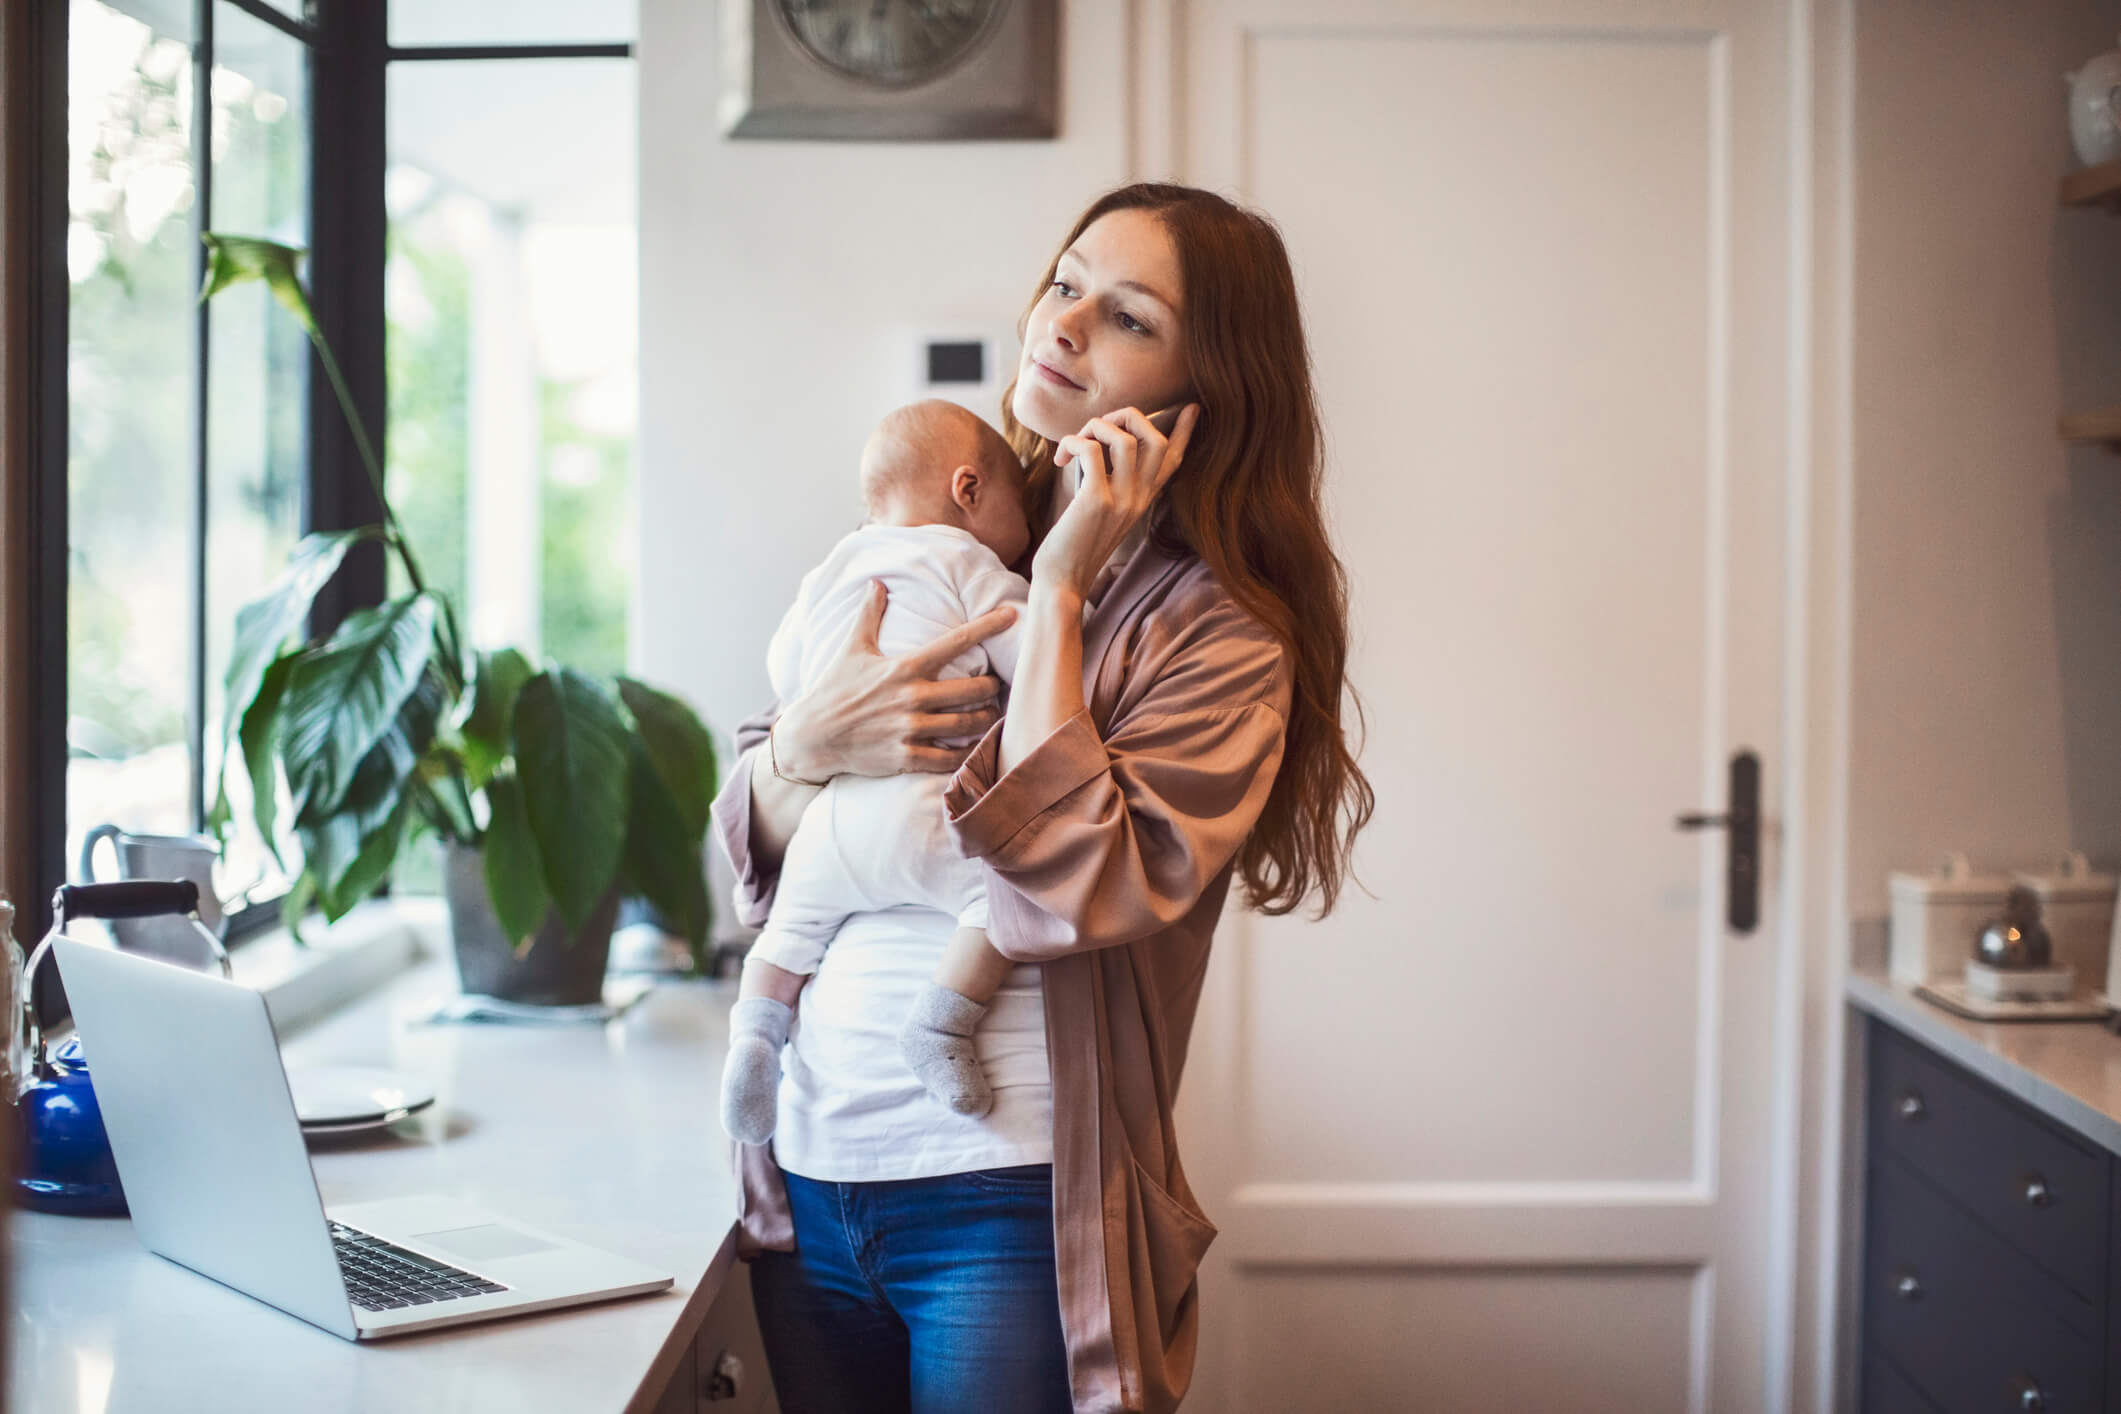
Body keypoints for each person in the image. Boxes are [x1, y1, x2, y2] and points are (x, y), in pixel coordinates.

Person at [709, 182, 1376, 1414]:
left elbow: (1085, 876)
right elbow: (751, 826)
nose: (1062, 327)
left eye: (1128, 318)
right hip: (809, 1169)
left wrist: (1061, 593)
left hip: (1005, 1201)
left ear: (1206, 384)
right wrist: (808, 745)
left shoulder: (1221, 630)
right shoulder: (960, 515)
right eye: (1065, 284)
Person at [719, 399, 1039, 1146]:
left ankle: (756, 1040)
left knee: (786, 938)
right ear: (968, 491)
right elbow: (1034, 658)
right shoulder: (968, 561)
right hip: (927, 816)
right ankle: (939, 1024)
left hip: (830, 830)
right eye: (1018, 507)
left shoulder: (830, 570)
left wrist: (818, 721)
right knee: (1006, 900)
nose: (1022, 534)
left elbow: (786, 670)